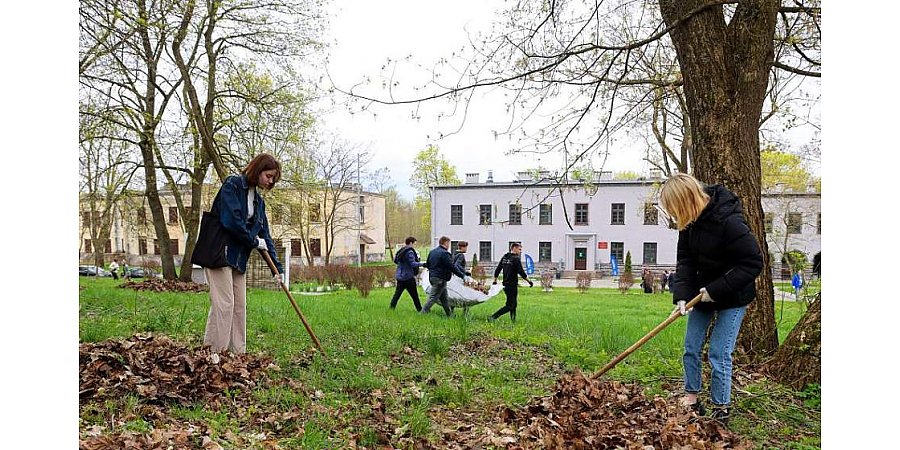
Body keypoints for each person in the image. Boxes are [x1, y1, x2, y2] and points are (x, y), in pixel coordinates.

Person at [659, 173, 763, 426]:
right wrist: (682, 296)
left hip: (733, 296)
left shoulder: (729, 221)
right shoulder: (689, 223)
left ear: (687, 200)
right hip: (700, 296)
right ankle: (692, 397)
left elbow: (752, 263)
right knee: (691, 347)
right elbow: (685, 261)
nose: (674, 216)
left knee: (719, 352)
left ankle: (721, 408)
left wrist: (715, 289)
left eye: (675, 209)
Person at [203, 153, 284, 357]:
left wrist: (278, 269)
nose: (270, 181)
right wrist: (254, 241)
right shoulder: (232, 185)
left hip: (239, 258)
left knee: (239, 306)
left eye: (273, 178)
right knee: (225, 304)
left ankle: (238, 354)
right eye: (268, 175)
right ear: (257, 170)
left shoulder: (258, 202)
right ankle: (216, 354)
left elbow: (265, 234)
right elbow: (231, 221)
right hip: (219, 253)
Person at [420, 236, 470, 316]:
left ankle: (450, 315)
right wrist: (463, 276)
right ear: (445, 243)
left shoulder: (432, 252)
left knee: (444, 299)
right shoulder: (445, 253)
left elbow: (428, 264)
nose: (449, 246)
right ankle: (422, 313)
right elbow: (452, 267)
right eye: (449, 243)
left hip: (433, 277)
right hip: (440, 279)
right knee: (433, 297)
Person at [489, 242, 533, 323]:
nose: (520, 251)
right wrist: (529, 281)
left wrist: (495, 280)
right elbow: (521, 272)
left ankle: (513, 321)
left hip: (505, 285)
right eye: (519, 249)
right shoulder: (516, 259)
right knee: (510, 306)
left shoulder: (505, 257)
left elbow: (498, 269)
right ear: (514, 248)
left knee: (514, 304)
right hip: (512, 285)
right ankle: (493, 317)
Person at [389, 236, 424, 311]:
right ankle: (420, 310)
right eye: (414, 244)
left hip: (400, 276)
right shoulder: (410, 252)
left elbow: (395, 260)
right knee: (414, 295)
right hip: (408, 277)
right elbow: (413, 264)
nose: (415, 246)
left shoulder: (401, 250)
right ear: (411, 243)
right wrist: (422, 264)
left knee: (397, 295)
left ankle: (391, 309)